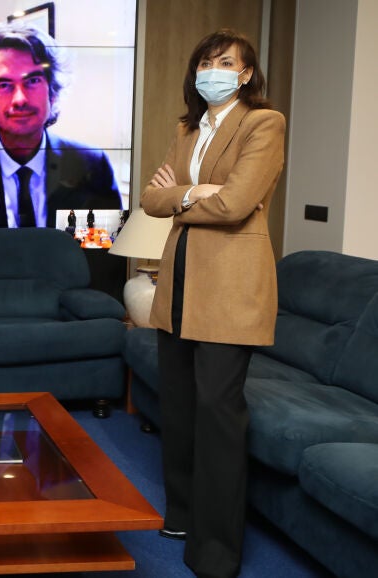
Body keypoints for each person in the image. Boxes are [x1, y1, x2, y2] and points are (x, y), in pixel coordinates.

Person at [141, 29, 285, 578]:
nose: (213, 71)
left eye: (225, 62)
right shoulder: (188, 128)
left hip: (230, 288)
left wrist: (183, 196)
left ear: (245, 74)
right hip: (179, 283)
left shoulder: (263, 123)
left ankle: (216, 550)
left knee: (218, 415)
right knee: (178, 408)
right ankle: (182, 516)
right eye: (205, 62)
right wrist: (191, 193)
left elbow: (235, 205)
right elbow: (150, 198)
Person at [0, 22, 121, 230]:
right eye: (4, 85)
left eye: (33, 81)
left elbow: (102, 249)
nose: (20, 99)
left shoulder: (91, 166)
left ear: (52, 92)